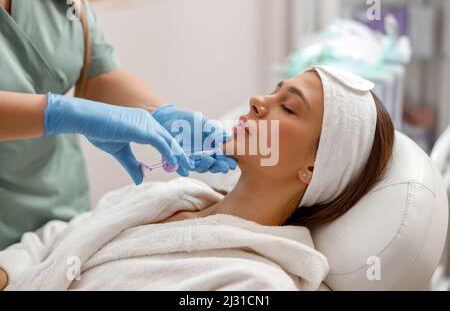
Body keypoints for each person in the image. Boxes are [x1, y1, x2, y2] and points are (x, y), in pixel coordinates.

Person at [0, 66, 395, 291]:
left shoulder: (255, 284)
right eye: (275, 90)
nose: (259, 101)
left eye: (288, 108)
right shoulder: (174, 196)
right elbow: (54, 238)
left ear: (313, 168)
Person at [0, 0, 236, 250]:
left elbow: (96, 71)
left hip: (62, 210)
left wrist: (157, 113)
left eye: (288, 107)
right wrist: (63, 113)